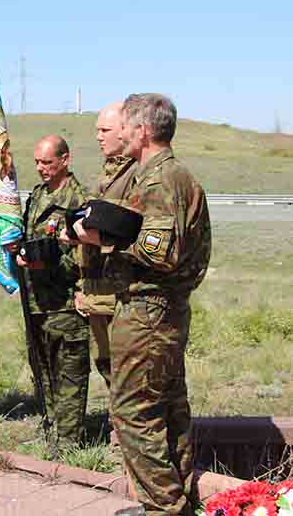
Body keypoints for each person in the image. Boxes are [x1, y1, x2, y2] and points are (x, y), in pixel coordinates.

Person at [72, 94, 211, 515]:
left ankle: (163, 507)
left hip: (147, 309)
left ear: (143, 131)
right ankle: (175, 500)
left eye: (128, 126)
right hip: (162, 309)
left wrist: (102, 238)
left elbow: (159, 251)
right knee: (168, 407)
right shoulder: (169, 175)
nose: (123, 133)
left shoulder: (159, 179)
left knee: (132, 410)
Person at [15, 135, 91, 449]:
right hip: (36, 299)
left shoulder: (79, 200)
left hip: (65, 301)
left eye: (47, 162)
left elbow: (85, 256)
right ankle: (51, 432)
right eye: (37, 162)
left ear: (65, 160)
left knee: (69, 371)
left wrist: (47, 267)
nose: (41, 169)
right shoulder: (37, 196)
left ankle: (70, 441)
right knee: (43, 368)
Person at [73, 103, 139, 389]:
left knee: (127, 371)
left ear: (124, 131)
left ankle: (126, 430)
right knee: (107, 364)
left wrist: (85, 234)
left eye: (105, 130)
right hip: (97, 289)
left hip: (120, 292)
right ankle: (118, 426)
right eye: (96, 130)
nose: (99, 137)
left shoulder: (136, 173)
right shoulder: (108, 174)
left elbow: (127, 232)